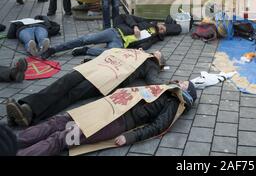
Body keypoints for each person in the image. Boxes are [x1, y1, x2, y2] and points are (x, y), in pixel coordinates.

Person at [15, 81, 197, 156]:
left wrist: (130, 137)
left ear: (185, 94)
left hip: (117, 122)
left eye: (184, 84)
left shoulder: (173, 103)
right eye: (182, 81)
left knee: (63, 137)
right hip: (105, 108)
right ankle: (11, 143)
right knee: (57, 122)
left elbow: (158, 126)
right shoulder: (165, 88)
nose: (180, 82)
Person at [6, 51, 167, 127]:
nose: (154, 52)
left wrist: (172, 85)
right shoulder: (137, 52)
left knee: (72, 94)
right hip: (96, 68)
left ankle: (28, 112)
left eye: (157, 54)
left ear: (159, 61)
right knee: (65, 80)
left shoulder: (150, 64)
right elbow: (110, 54)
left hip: (106, 80)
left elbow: (154, 81)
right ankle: (25, 112)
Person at [40, 14, 181, 59]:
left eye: (163, 31)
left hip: (121, 45)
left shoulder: (152, 40)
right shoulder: (146, 22)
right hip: (115, 33)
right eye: (162, 26)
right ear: (160, 23)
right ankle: (53, 49)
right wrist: (135, 26)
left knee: (110, 54)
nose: (161, 29)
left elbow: (142, 48)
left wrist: (140, 51)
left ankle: (86, 51)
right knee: (86, 39)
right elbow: (126, 16)